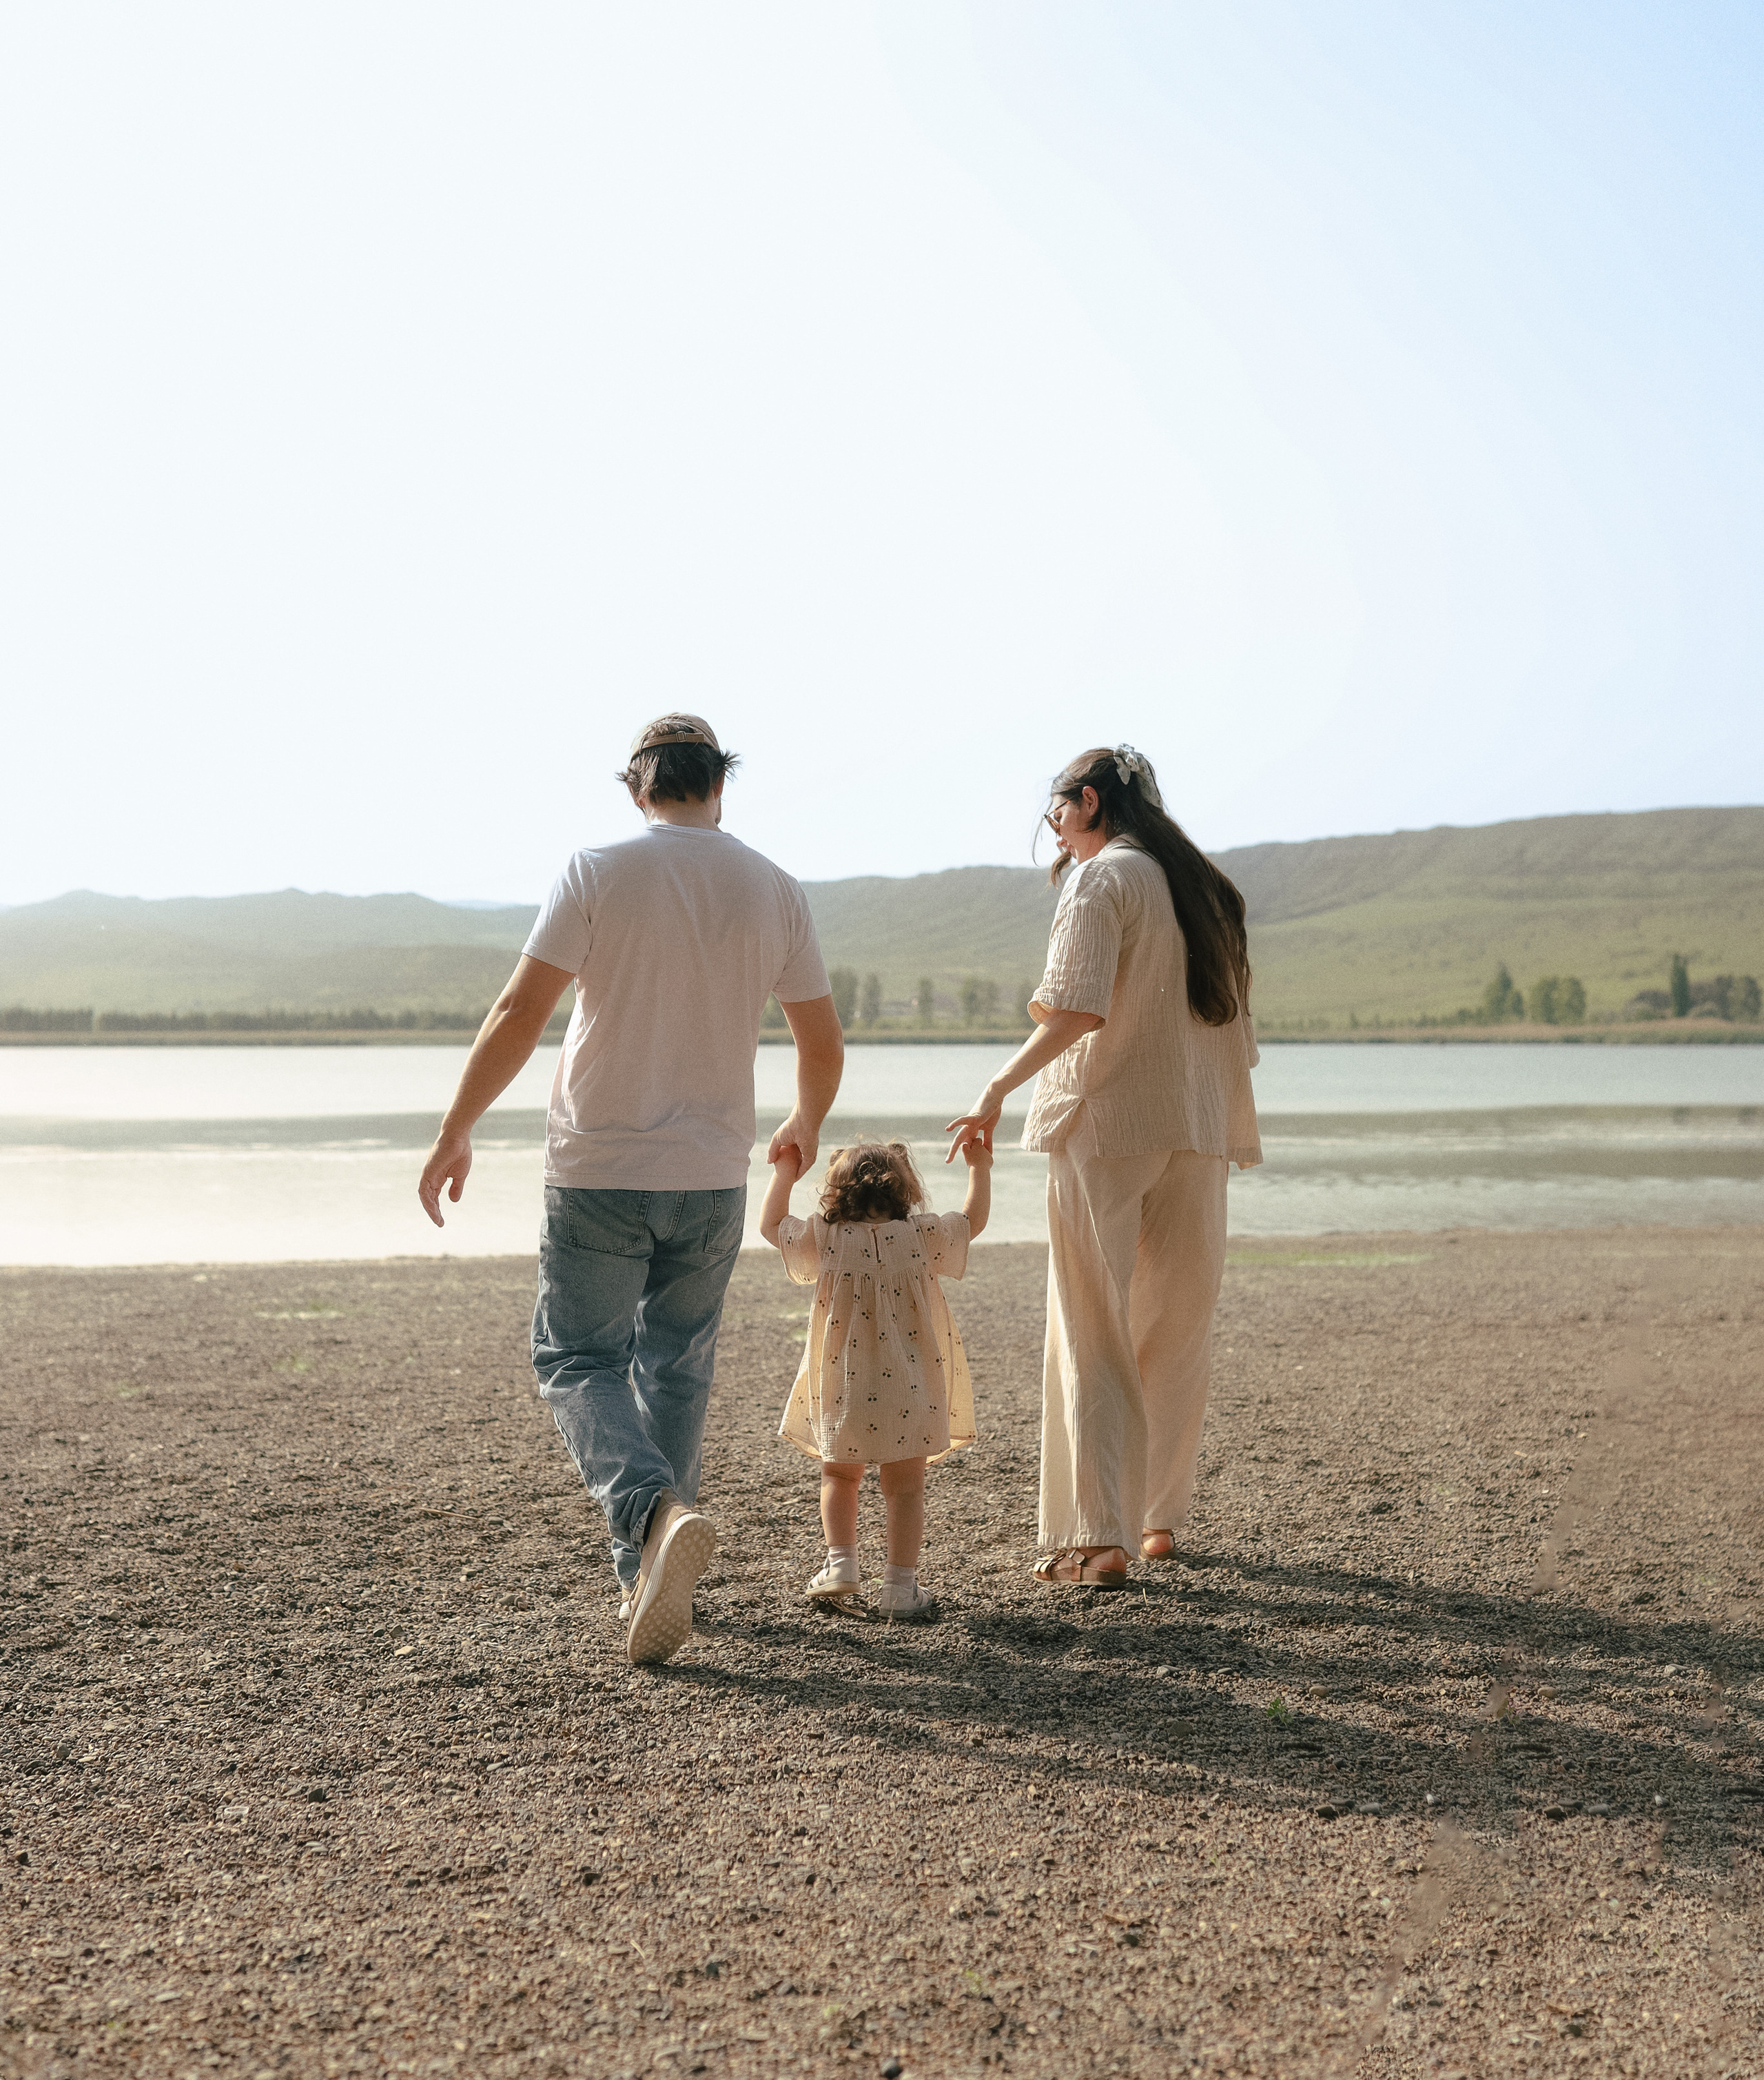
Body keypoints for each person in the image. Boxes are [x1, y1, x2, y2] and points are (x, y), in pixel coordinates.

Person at [416, 714, 843, 1666]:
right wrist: (806, 1124)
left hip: (600, 1167)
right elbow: (820, 1043)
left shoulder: (596, 870)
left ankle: (654, 1520)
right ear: (717, 786)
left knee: (574, 1359)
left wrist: (457, 1128)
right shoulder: (774, 888)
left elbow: (521, 1010)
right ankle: (651, 1571)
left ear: (637, 788)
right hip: (713, 1175)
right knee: (677, 1366)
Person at [945, 742, 1260, 1587]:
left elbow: (1079, 1008)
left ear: (1086, 801)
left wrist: (995, 1086)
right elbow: (1234, 1038)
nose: (1053, 832)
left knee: (1090, 1327)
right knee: (1174, 1328)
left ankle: (1097, 1537)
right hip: (1195, 1128)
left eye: (1055, 812)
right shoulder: (1205, 893)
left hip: (1107, 1124)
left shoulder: (1104, 879)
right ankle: (1154, 1521)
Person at [759, 1136, 989, 1622]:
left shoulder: (825, 1236)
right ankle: (900, 1588)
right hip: (912, 1382)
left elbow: (771, 1225)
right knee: (905, 1488)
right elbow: (971, 1223)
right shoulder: (921, 1235)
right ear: (904, 1188)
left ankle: (841, 1564)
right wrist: (979, 1168)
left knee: (839, 1475)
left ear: (837, 1192)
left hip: (843, 1385)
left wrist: (783, 1171)